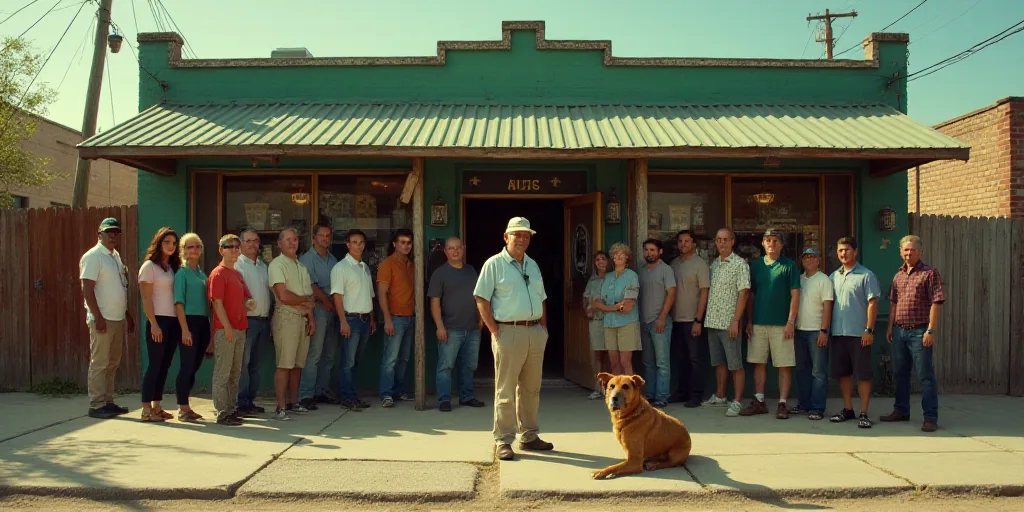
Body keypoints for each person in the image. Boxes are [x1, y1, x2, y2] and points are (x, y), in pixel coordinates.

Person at [474, 217, 552, 462]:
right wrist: (495, 331)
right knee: (505, 389)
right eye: (516, 234)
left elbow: (541, 299)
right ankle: (503, 440)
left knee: (531, 388)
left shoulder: (533, 265)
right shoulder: (494, 264)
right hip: (508, 331)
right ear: (505, 237)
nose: (522, 239)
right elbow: (481, 299)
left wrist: (543, 329)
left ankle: (529, 436)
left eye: (526, 235)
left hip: (534, 332)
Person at [882, 235, 945, 433]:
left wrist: (930, 330)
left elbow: (936, 302)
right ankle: (901, 410)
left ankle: (930, 417)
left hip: (920, 332)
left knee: (925, 376)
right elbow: (893, 303)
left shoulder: (929, 273)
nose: (909, 253)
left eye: (912, 250)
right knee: (900, 374)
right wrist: (891, 327)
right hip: (900, 331)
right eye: (905, 250)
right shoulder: (898, 275)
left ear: (920, 251)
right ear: (900, 252)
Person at [80, 217, 135, 419]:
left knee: (113, 362)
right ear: (99, 234)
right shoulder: (93, 256)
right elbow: (87, 289)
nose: (113, 235)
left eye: (116, 232)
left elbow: (120, 287)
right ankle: (96, 404)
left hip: (117, 317)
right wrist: (97, 316)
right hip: (102, 319)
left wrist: (126, 314)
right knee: (100, 362)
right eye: (109, 231)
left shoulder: (115, 256)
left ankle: (108, 401)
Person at [742, 229, 800, 419]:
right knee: (758, 363)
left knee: (783, 365)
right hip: (758, 322)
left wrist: (791, 321)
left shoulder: (789, 266)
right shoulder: (757, 266)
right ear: (763, 243)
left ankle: (782, 403)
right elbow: (751, 295)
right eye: (768, 240)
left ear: (781, 245)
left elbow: (795, 295)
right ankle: (759, 401)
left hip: (781, 324)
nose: (771, 244)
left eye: (775, 241)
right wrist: (749, 320)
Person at [827, 238, 880, 428]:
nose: (843, 254)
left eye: (847, 250)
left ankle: (864, 413)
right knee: (844, 374)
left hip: (860, 334)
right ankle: (848, 409)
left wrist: (869, 330)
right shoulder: (834, 276)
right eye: (840, 250)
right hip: (839, 333)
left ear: (855, 252)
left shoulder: (866, 275)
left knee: (863, 375)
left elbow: (873, 303)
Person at [428, 236, 485, 412]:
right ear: (445, 251)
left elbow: (479, 297)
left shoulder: (471, 271)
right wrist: (440, 326)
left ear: (463, 249)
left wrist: (481, 318)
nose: (455, 251)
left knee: (469, 365)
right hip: (450, 329)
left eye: (458, 248)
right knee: (446, 366)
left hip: (473, 328)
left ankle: (466, 397)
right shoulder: (440, 273)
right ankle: (444, 400)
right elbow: (435, 302)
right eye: (451, 248)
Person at [268, 227, 317, 420]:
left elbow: (310, 298)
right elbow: (284, 295)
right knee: (284, 364)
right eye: (287, 239)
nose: (292, 242)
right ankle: (280, 407)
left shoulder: (301, 266)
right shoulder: (276, 265)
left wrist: (311, 318)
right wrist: (305, 300)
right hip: (286, 318)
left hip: (303, 319)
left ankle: (293, 402)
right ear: (279, 244)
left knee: (298, 365)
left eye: (295, 239)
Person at [208, 234, 256, 426]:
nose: (234, 250)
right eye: (230, 246)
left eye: (237, 246)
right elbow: (217, 304)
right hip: (225, 330)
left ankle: (230, 409)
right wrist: (227, 328)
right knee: (223, 372)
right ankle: (222, 412)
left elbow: (246, 299)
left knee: (235, 373)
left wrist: (250, 303)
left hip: (240, 328)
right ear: (221, 250)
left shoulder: (237, 274)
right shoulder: (218, 274)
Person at [703, 227, 750, 417]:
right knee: (719, 362)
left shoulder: (740, 264)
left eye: (725, 239)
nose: (721, 243)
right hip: (713, 321)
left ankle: (737, 400)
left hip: (729, 322)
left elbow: (744, 293)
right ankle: (720, 395)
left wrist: (736, 321)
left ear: (733, 242)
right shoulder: (714, 264)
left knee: (735, 364)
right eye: (718, 239)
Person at [138, 227, 182, 423]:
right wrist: (153, 324)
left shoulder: (172, 267)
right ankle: (146, 409)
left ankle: (157, 406)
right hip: (158, 321)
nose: (171, 246)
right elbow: (146, 299)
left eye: (174, 243)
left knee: (165, 365)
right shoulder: (149, 267)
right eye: (167, 242)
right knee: (155, 365)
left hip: (173, 321)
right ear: (159, 243)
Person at [330, 229, 376, 411]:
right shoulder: (341, 268)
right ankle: (346, 397)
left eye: (361, 242)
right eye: (354, 242)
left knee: (356, 361)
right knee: (347, 362)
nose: (358, 245)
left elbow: (369, 296)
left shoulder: (364, 267)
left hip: (364, 319)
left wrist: (372, 318)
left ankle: (352, 394)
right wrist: (343, 321)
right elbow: (337, 297)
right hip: (350, 319)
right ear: (347, 244)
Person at [297, 224, 340, 410]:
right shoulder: (307, 259)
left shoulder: (333, 260)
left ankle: (322, 391)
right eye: (321, 235)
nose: (325, 238)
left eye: (328, 235)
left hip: (334, 309)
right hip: (318, 309)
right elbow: (312, 286)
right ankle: (306, 394)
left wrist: (335, 304)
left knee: (330, 354)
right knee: (314, 353)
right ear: (314, 238)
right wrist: (327, 302)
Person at [668, 230, 710, 408]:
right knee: (680, 359)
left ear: (694, 244)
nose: (683, 244)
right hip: (675, 319)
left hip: (693, 320)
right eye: (680, 241)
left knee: (695, 359)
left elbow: (704, 293)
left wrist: (698, 320)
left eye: (687, 241)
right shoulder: (674, 264)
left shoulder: (700, 264)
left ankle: (696, 395)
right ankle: (682, 391)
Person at [173, 233, 211, 422]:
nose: (194, 250)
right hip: (188, 322)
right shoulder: (182, 273)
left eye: (197, 246)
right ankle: (182, 407)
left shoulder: (202, 274)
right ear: (183, 250)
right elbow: (178, 303)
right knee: (187, 365)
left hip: (203, 322)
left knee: (195, 365)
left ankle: (187, 407)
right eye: (189, 247)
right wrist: (185, 329)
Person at [235, 228, 273, 416]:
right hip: (246, 321)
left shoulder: (263, 266)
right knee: (243, 363)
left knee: (255, 365)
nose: (251, 244)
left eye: (255, 241)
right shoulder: (237, 265)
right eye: (247, 240)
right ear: (240, 243)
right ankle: (240, 402)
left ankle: (250, 400)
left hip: (264, 321)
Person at [378, 228, 416, 408]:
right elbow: (382, 293)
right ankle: (386, 393)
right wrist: (387, 319)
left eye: (409, 242)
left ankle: (398, 390)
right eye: (402, 242)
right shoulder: (387, 264)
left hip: (411, 317)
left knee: (404, 358)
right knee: (390, 358)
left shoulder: (412, 264)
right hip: (395, 317)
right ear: (394, 244)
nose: (406, 246)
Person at [794, 247, 833, 421]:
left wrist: (824, 330)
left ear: (819, 260)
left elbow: (827, 307)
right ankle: (804, 404)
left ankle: (817, 407)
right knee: (802, 370)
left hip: (816, 331)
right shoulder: (799, 279)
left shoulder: (823, 280)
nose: (809, 260)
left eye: (812, 257)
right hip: (799, 331)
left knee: (818, 372)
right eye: (806, 257)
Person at [638, 238, 676, 408]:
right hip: (643, 322)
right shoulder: (641, 271)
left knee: (662, 362)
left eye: (652, 250)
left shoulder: (666, 270)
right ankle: (650, 396)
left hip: (660, 321)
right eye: (646, 250)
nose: (649, 253)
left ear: (660, 252)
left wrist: (662, 317)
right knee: (648, 362)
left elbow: (671, 294)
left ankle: (662, 396)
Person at [592, 243, 641, 376]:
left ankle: (631, 394)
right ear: (612, 258)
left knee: (625, 362)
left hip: (627, 323)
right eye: (615, 254)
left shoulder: (632, 276)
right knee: (613, 363)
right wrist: (615, 307)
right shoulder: (608, 277)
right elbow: (596, 304)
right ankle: (619, 394)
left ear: (627, 257)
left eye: (621, 253)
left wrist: (607, 307)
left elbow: (627, 307)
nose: (618, 256)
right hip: (609, 324)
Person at [582, 250, 612, 400]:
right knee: (598, 354)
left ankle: (611, 386)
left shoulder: (613, 278)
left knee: (611, 354)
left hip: (611, 320)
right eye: (597, 259)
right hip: (596, 321)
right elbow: (586, 298)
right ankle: (598, 386)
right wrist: (587, 310)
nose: (600, 262)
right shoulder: (592, 280)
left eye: (603, 259)